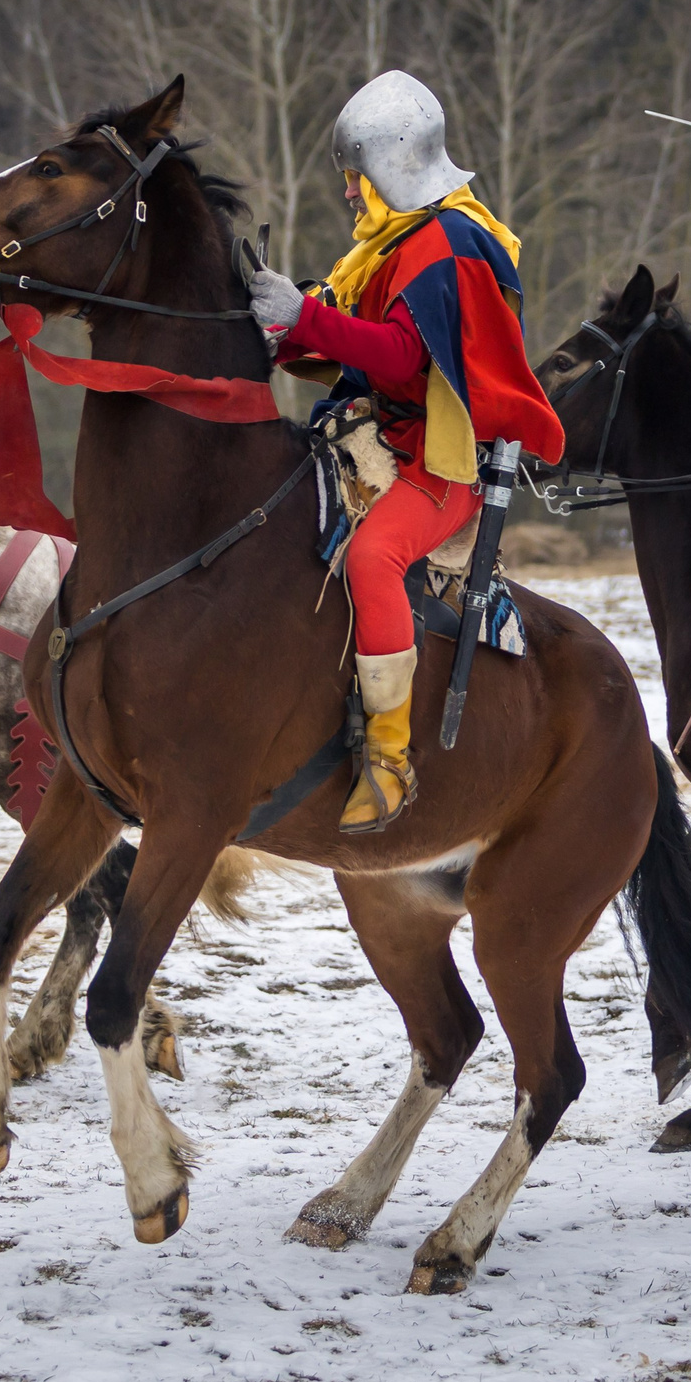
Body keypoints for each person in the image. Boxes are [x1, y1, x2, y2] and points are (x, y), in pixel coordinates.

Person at [244, 70, 564, 832]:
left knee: (371, 559)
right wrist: (287, 321)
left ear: (385, 168)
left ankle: (389, 758)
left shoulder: (445, 243)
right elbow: (347, 329)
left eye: (353, 178)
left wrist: (307, 321)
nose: (349, 194)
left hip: (440, 464)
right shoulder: (392, 243)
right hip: (375, 435)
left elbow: (395, 356)